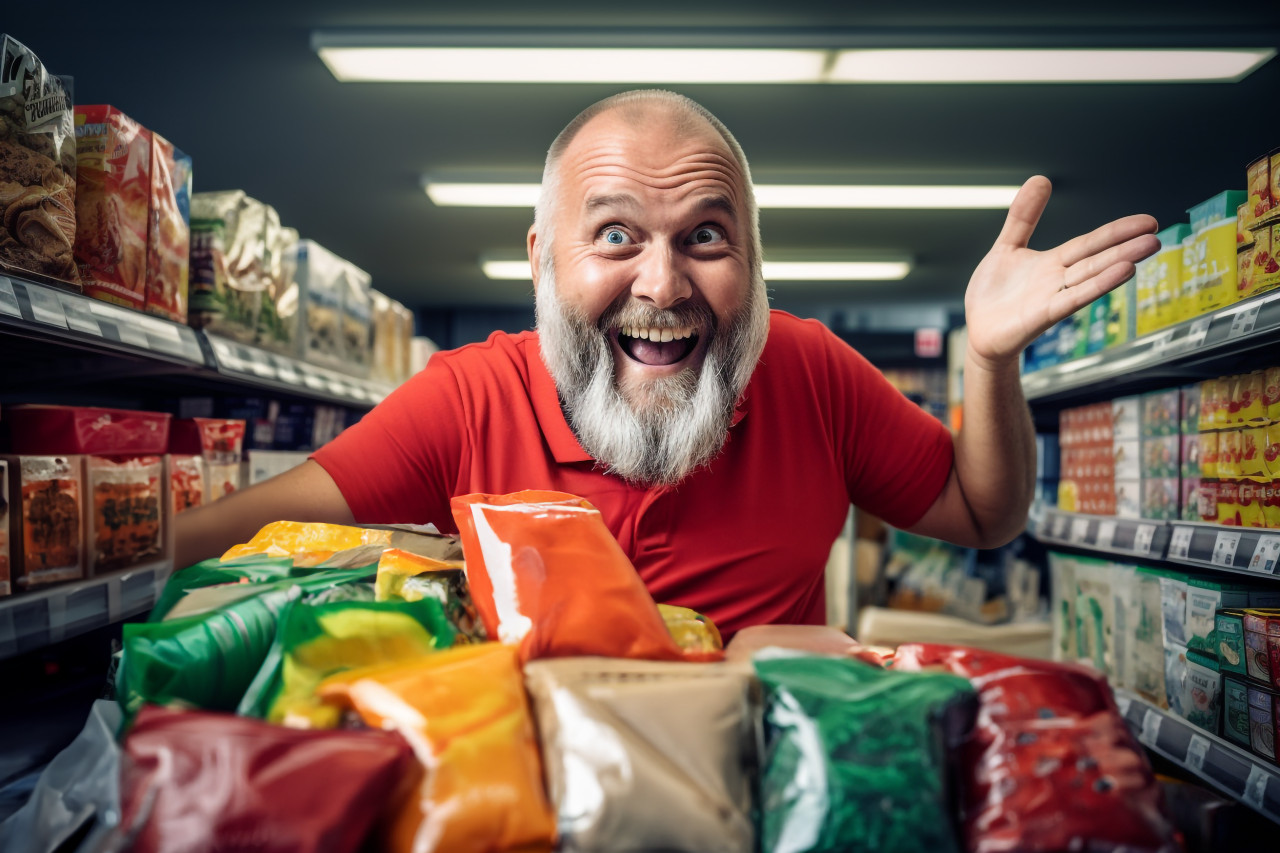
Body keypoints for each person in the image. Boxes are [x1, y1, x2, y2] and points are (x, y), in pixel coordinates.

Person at [176, 90, 1158, 638]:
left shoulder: (806, 372)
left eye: (704, 238)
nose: (662, 282)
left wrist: (986, 359)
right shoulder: (466, 403)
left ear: (754, 264)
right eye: (613, 235)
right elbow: (203, 545)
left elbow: (984, 514)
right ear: (540, 259)